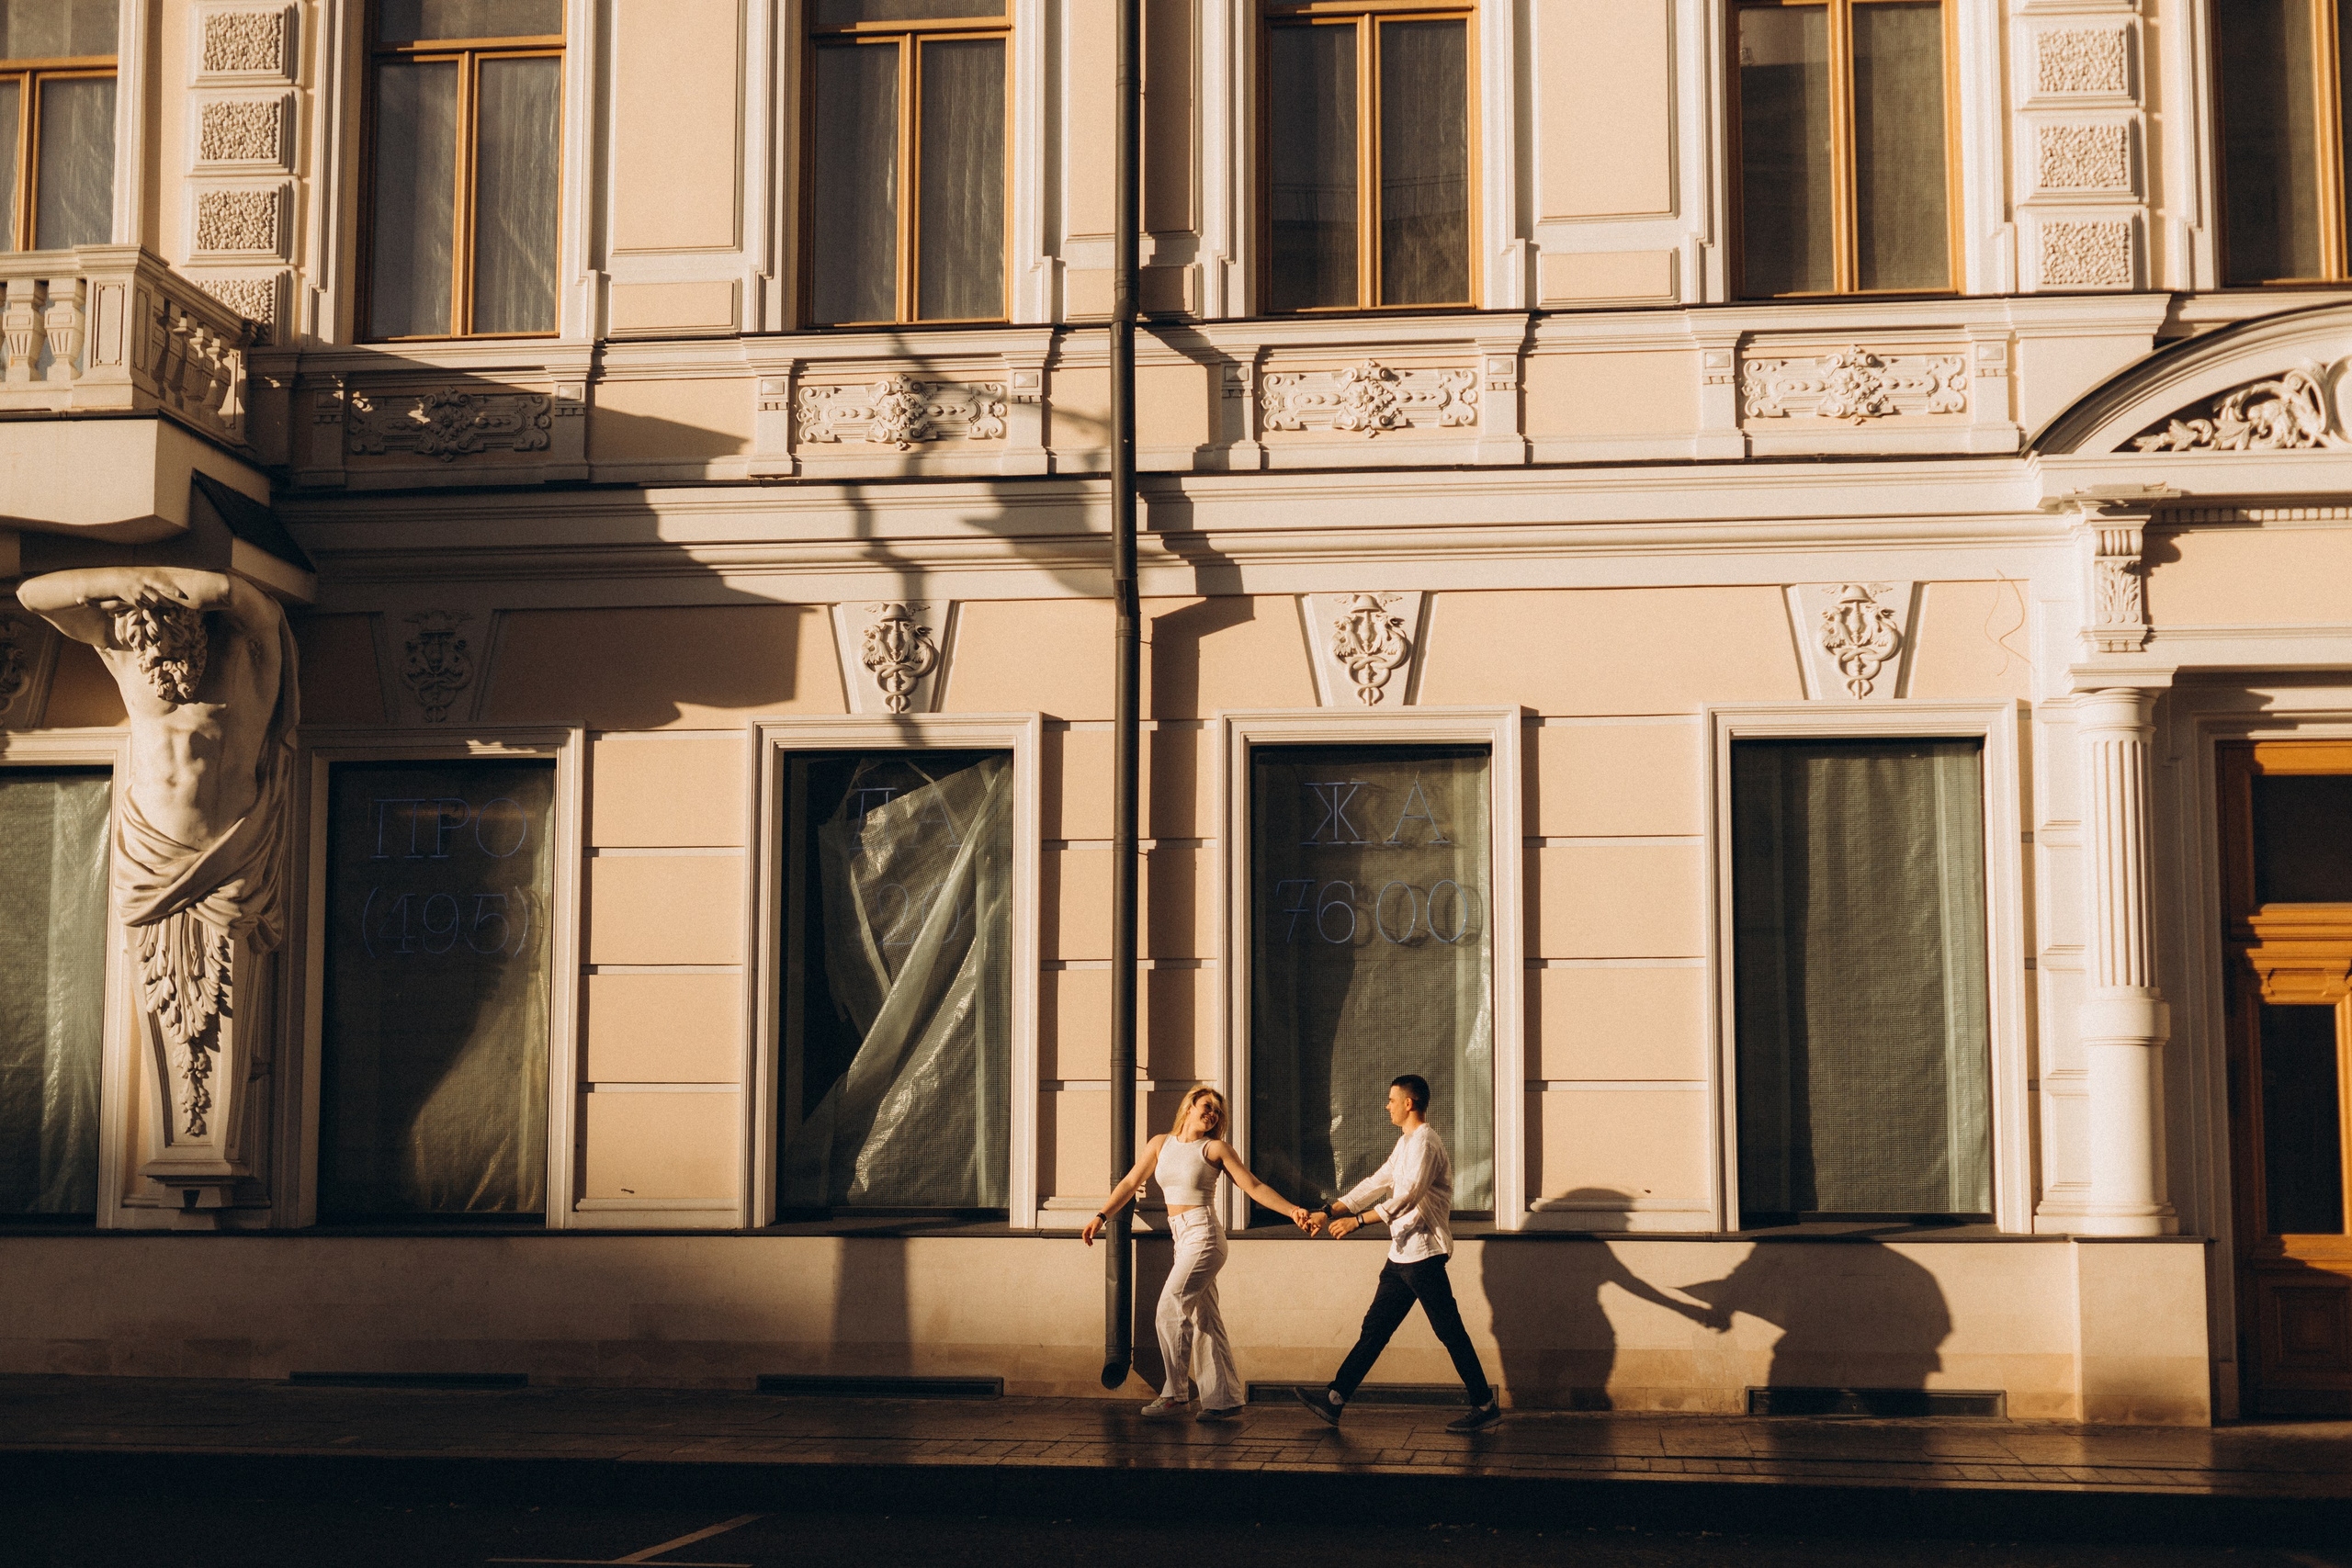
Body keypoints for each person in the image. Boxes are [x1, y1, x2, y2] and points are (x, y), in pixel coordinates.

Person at [1083, 1086, 1313, 1422]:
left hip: (1204, 1235)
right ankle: (1224, 1400)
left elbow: (1254, 1186)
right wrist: (1101, 1215)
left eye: (1218, 1112)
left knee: (1169, 1306)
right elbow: (1130, 1182)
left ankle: (1175, 1393)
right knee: (1205, 1318)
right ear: (1189, 1106)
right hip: (1182, 1237)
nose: (1213, 1114)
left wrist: (1293, 1210)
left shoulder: (1215, 1148)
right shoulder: (1161, 1144)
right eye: (1207, 1106)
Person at [1297, 1074, 1500, 1433]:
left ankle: (1484, 1404)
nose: (1386, 1105)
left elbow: (1406, 1197)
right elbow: (1375, 1183)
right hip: (1401, 1254)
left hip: (1424, 1253)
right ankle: (1334, 1399)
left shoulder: (1425, 1144)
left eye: (1391, 1100)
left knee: (1448, 1330)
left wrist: (1357, 1222)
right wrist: (1329, 1211)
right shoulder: (1405, 1143)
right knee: (1374, 1330)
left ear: (1409, 1103)